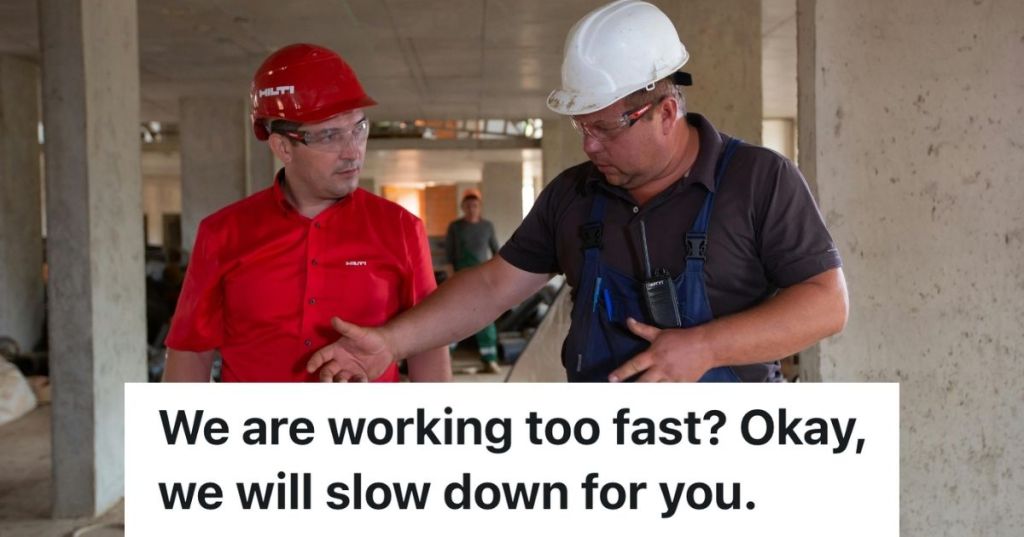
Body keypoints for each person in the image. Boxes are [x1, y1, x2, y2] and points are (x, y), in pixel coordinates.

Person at [307, 0, 847, 383]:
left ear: (664, 112)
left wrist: (707, 346)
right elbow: (493, 287)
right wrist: (391, 342)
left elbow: (827, 304)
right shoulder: (574, 195)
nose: (589, 146)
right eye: (580, 127)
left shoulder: (758, 180)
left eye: (605, 129)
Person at [162, 43, 450, 382]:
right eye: (329, 135)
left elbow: (429, 346)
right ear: (283, 146)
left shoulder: (400, 229)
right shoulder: (222, 233)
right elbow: (191, 350)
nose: (352, 151)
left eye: (358, 128)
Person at [445, 188, 501, 373]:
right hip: (461, 278)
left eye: (475, 205)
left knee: (486, 319)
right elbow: (449, 256)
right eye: (468, 206)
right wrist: (450, 278)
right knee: (454, 318)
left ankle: (489, 359)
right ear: (463, 207)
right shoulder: (455, 227)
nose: (471, 208)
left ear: (480, 207)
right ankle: (446, 360)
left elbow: (496, 252)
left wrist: (496, 278)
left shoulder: (487, 226)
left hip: (482, 279)